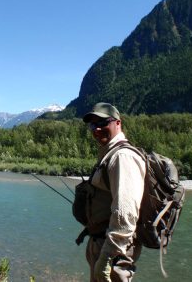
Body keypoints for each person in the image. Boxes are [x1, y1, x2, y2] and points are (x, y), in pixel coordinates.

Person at [82, 102, 146, 282]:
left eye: (103, 123)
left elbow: (126, 214)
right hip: (103, 243)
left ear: (118, 123)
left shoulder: (122, 157)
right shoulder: (109, 154)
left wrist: (106, 258)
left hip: (114, 250)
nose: (97, 129)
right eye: (93, 125)